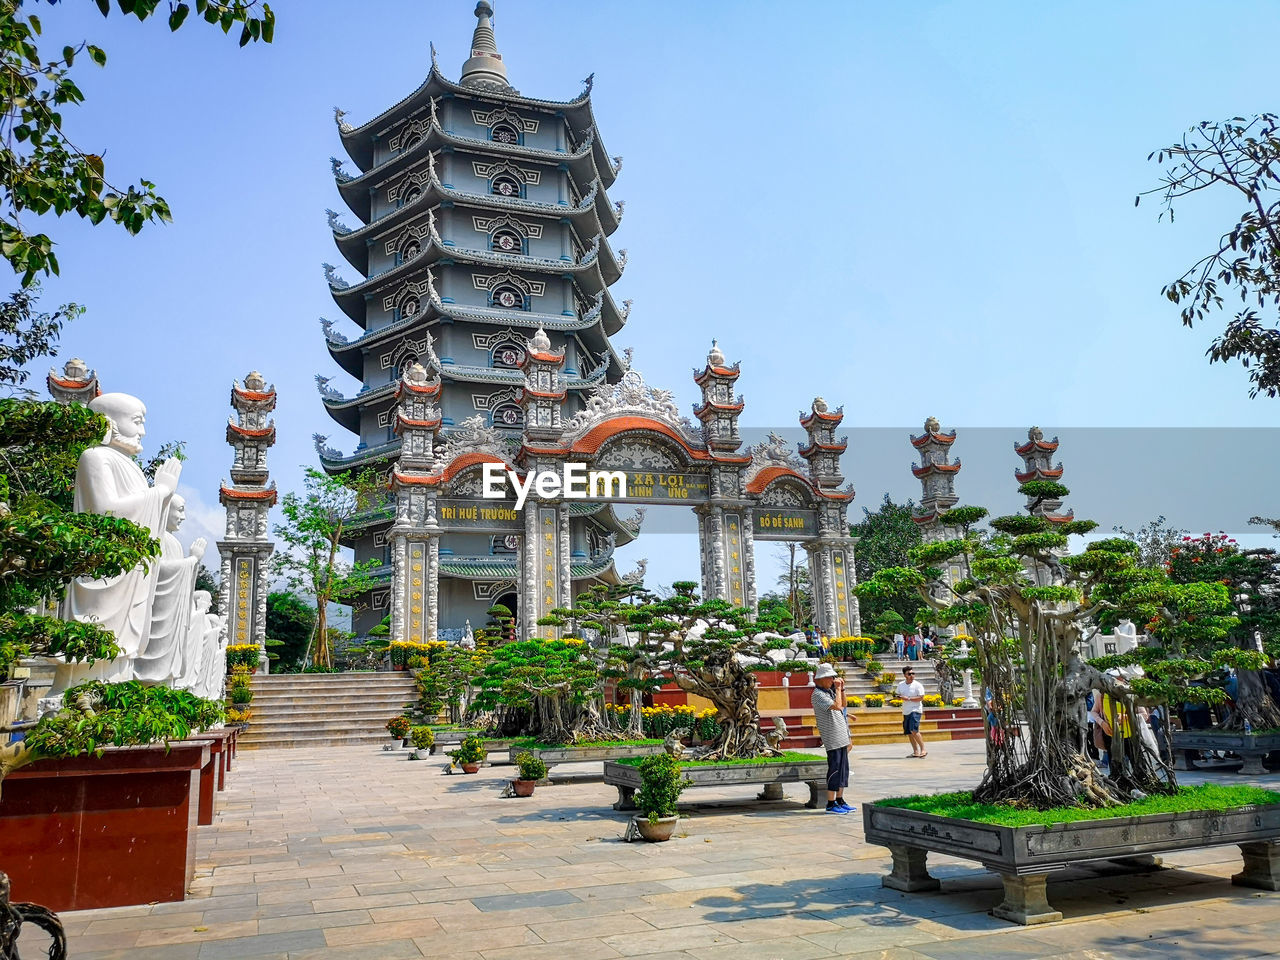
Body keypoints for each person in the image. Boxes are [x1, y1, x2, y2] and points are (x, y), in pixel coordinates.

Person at [811, 662, 857, 813]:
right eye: (830, 678)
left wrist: (841, 689)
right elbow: (837, 706)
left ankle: (839, 799)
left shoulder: (829, 692)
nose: (832, 680)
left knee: (843, 770)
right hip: (832, 737)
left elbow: (843, 705)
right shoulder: (817, 695)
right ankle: (830, 803)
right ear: (822, 679)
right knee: (835, 769)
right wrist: (837, 689)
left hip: (841, 734)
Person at [896, 666, 927, 758]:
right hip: (906, 710)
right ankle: (915, 751)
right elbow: (897, 694)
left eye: (913, 673)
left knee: (914, 730)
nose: (912, 675)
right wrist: (898, 697)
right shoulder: (901, 684)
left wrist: (908, 698)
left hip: (915, 710)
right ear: (905, 675)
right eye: (909, 674)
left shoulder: (918, 685)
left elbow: (921, 697)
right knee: (909, 732)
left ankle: (923, 749)